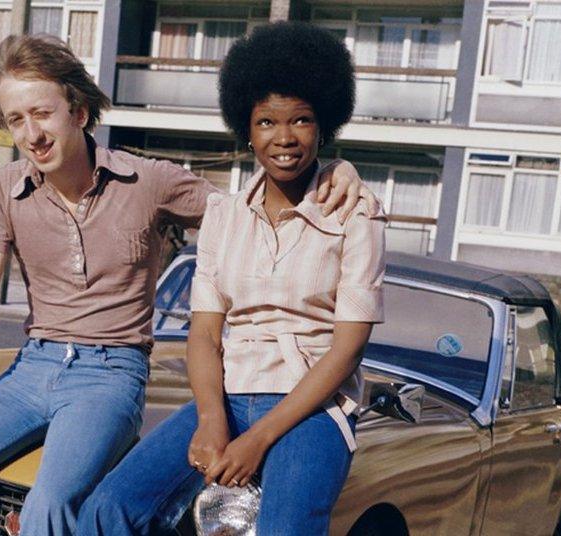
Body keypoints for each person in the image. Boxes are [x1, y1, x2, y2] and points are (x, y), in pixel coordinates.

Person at [0, 33, 377, 536]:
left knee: (49, 509)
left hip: (109, 372)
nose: (32, 134)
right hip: (33, 365)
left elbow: (253, 197)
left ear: (80, 113)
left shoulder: (148, 181)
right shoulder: (5, 188)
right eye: (15, 120)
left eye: (42, 114)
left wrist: (336, 169)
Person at [78, 21, 386, 535]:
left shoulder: (357, 214)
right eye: (267, 121)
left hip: (310, 409)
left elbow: (346, 352)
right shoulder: (223, 214)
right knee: (109, 507)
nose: (284, 138)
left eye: (302, 121)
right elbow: (204, 334)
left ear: (323, 126)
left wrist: (258, 439)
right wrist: (209, 419)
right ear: (246, 128)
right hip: (225, 395)